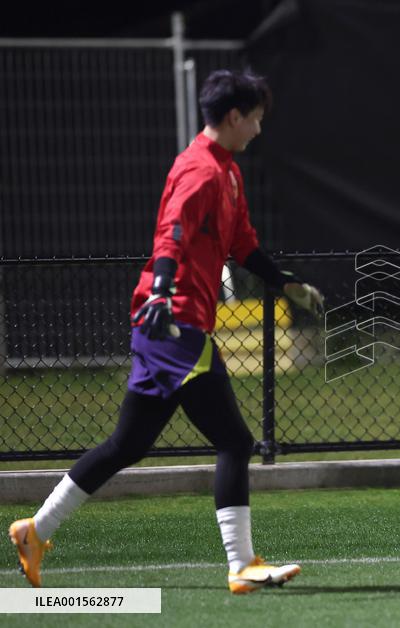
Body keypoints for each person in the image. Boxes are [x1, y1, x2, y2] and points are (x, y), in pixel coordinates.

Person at [8, 69, 324, 593]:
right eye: (257, 120)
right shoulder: (198, 170)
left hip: (174, 327)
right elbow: (170, 234)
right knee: (234, 439)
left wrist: (283, 283)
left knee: (126, 445)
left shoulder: (228, 173)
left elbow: (242, 244)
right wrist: (159, 291)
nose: (259, 130)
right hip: (172, 324)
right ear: (233, 117)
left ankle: (34, 531)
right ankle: (241, 564)